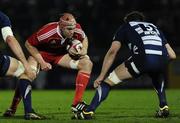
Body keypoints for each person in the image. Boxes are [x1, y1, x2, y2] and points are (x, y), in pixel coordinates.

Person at [77, 11, 176, 119]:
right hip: (161, 57)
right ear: (141, 21)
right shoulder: (154, 27)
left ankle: (88, 112)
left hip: (142, 58)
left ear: (127, 20)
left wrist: (101, 76)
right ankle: (164, 106)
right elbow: (172, 55)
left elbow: (112, 52)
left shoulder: (126, 26)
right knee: (157, 74)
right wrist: (157, 63)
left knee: (109, 81)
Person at [3, 13, 93, 119]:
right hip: (40, 55)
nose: (72, 31)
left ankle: (76, 103)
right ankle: (13, 108)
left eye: (73, 28)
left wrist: (84, 50)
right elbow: (28, 44)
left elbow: (84, 37)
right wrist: (42, 62)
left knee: (87, 63)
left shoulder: (76, 28)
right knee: (28, 74)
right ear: (61, 26)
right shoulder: (47, 32)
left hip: (59, 56)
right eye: (69, 29)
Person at [0, 11, 40, 119]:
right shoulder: (2, 17)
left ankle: (12, 109)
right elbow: (9, 39)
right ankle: (28, 111)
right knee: (24, 71)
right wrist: (26, 64)